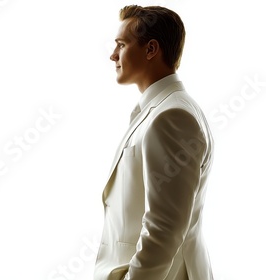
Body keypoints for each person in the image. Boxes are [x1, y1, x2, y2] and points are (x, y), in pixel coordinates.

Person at [94, 5, 214, 280]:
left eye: (121, 45)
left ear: (151, 50)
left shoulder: (172, 115)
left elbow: (165, 226)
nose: (113, 55)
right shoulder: (164, 109)